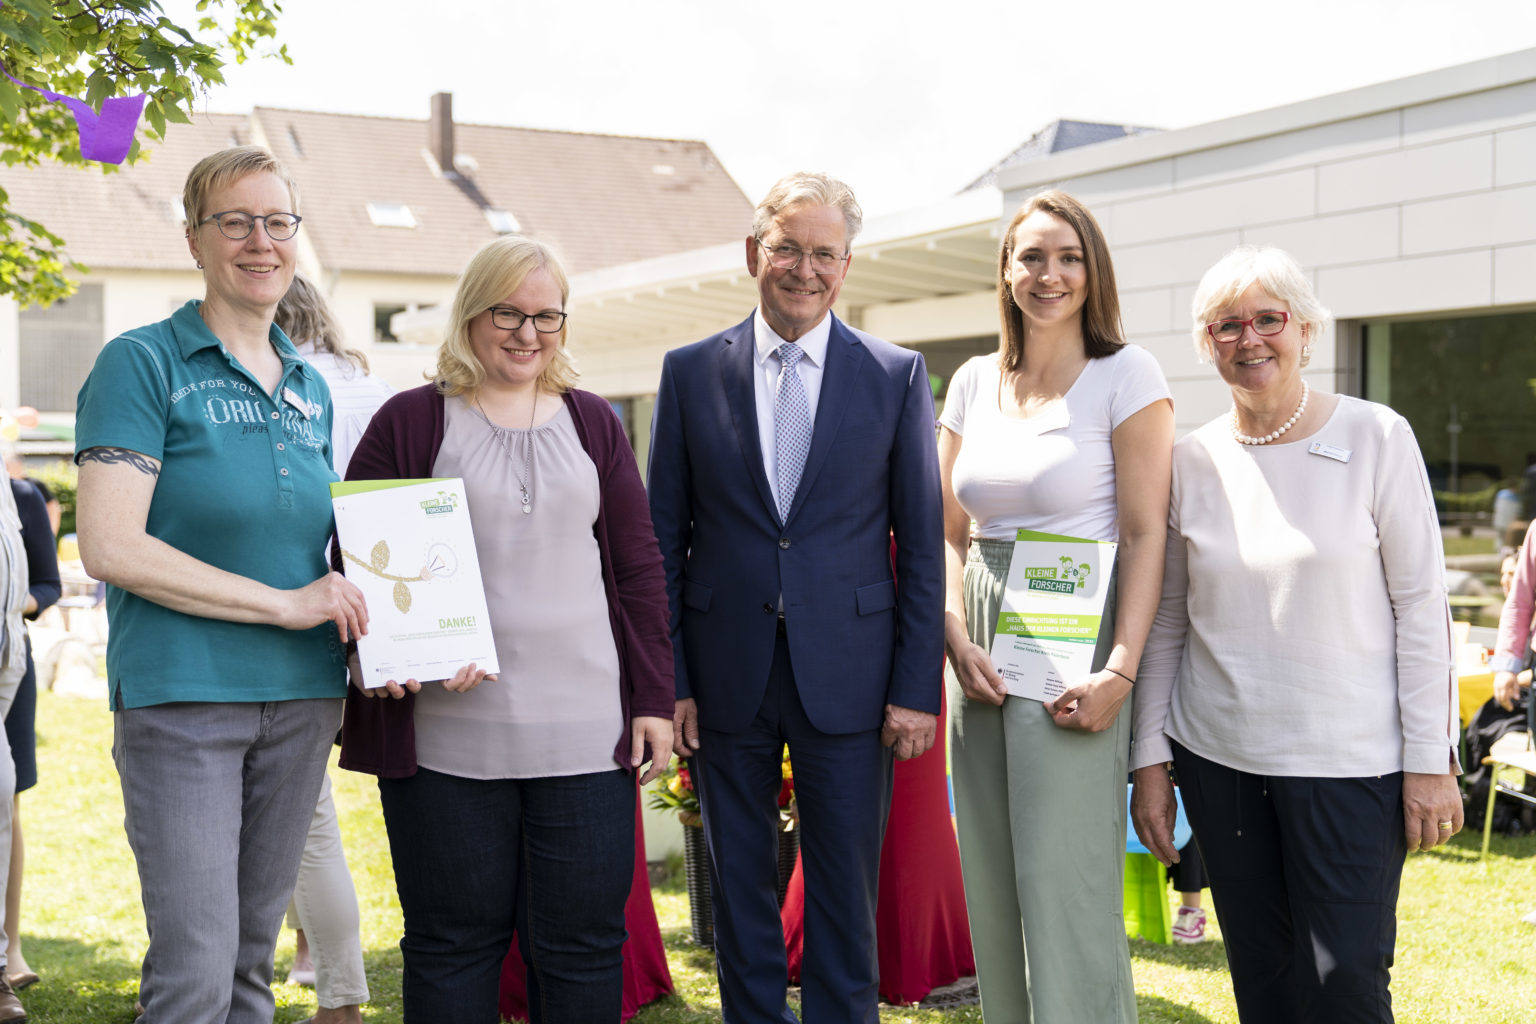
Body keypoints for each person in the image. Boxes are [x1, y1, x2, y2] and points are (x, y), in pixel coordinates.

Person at [337, 234, 675, 1023]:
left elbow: (638, 569)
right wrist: (386, 654)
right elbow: (358, 554)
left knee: (585, 946)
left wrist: (654, 700)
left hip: (586, 738)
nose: (528, 334)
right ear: (472, 314)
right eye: (508, 314)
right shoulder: (412, 421)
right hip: (451, 742)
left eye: (546, 316)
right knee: (452, 945)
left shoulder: (594, 423)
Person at [74, 145, 368, 1024]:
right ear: (193, 240)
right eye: (234, 222)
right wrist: (286, 605)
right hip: (184, 699)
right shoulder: (143, 362)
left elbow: (328, 546)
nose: (260, 241)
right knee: (196, 968)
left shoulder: (311, 387)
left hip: (302, 699)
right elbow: (110, 544)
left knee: (249, 965)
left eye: (278, 222)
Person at [1130, 245, 1462, 1023]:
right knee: (1266, 984)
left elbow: (1422, 607)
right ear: (1206, 343)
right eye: (1226, 326)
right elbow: (1169, 619)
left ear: (1305, 329)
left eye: (1268, 319)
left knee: (1346, 984)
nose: (1250, 339)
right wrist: (1150, 758)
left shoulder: (1379, 436)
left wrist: (1430, 760)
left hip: (1353, 768)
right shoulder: (1191, 460)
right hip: (1221, 765)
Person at [647, 171, 945, 1023]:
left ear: (846, 266)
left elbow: (922, 547)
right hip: (724, 674)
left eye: (823, 253)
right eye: (787, 248)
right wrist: (672, 682)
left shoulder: (894, 375)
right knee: (739, 895)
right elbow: (663, 541)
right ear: (754, 253)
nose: (803, 268)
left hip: (851, 678)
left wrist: (913, 689)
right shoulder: (690, 371)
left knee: (844, 903)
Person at [938, 189, 1173, 1022]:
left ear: (1093, 270)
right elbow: (950, 532)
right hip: (978, 636)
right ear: (1006, 271)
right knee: (993, 885)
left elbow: (1148, 534)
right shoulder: (971, 380)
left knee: (1062, 881)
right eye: (1032, 256)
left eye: (1069, 257)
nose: (1050, 274)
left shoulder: (1127, 374)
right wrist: (953, 630)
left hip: (1078, 627)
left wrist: (1120, 669)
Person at [274, 273, 392, 1024]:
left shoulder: (288, 387)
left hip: (299, 604)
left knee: (299, 809)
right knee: (301, 806)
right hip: (375, 606)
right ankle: (312, 955)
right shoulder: (370, 388)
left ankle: (330, 975)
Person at [2, 478, 59, 995]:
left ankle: (10, 944)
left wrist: (13, 603)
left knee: (8, 801)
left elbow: (49, 584)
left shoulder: (21, 497)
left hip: (9, 665)